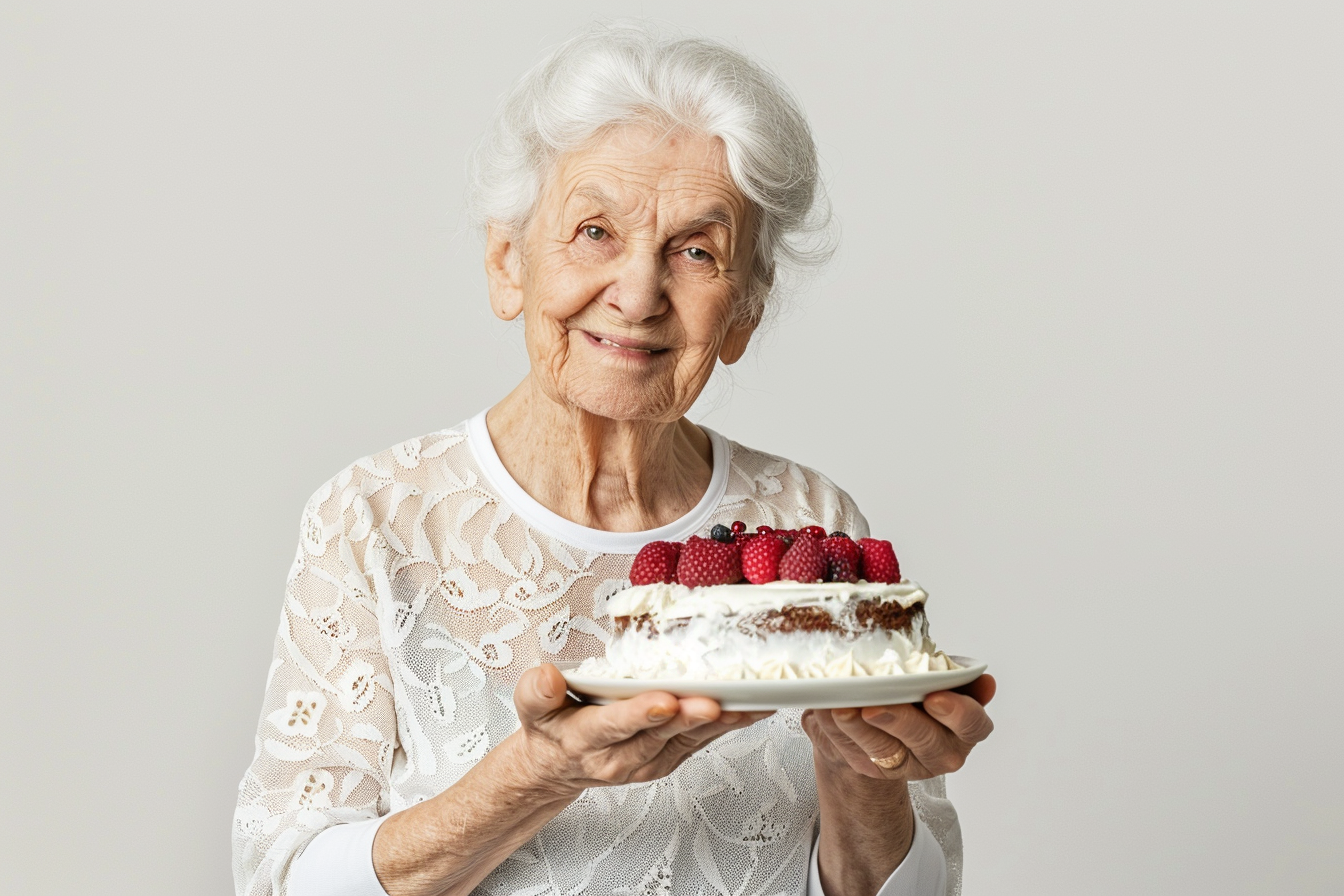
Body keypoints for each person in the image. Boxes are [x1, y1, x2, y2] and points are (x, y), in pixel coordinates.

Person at [232, 23, 995, 896]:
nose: (637, 294)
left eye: (697, 252)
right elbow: (282, 881)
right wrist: (539, 772)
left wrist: (865, 766)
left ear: (743, 312)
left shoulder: (808, 520)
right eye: (594, 231)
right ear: (507, 262)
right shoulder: (373, 519)